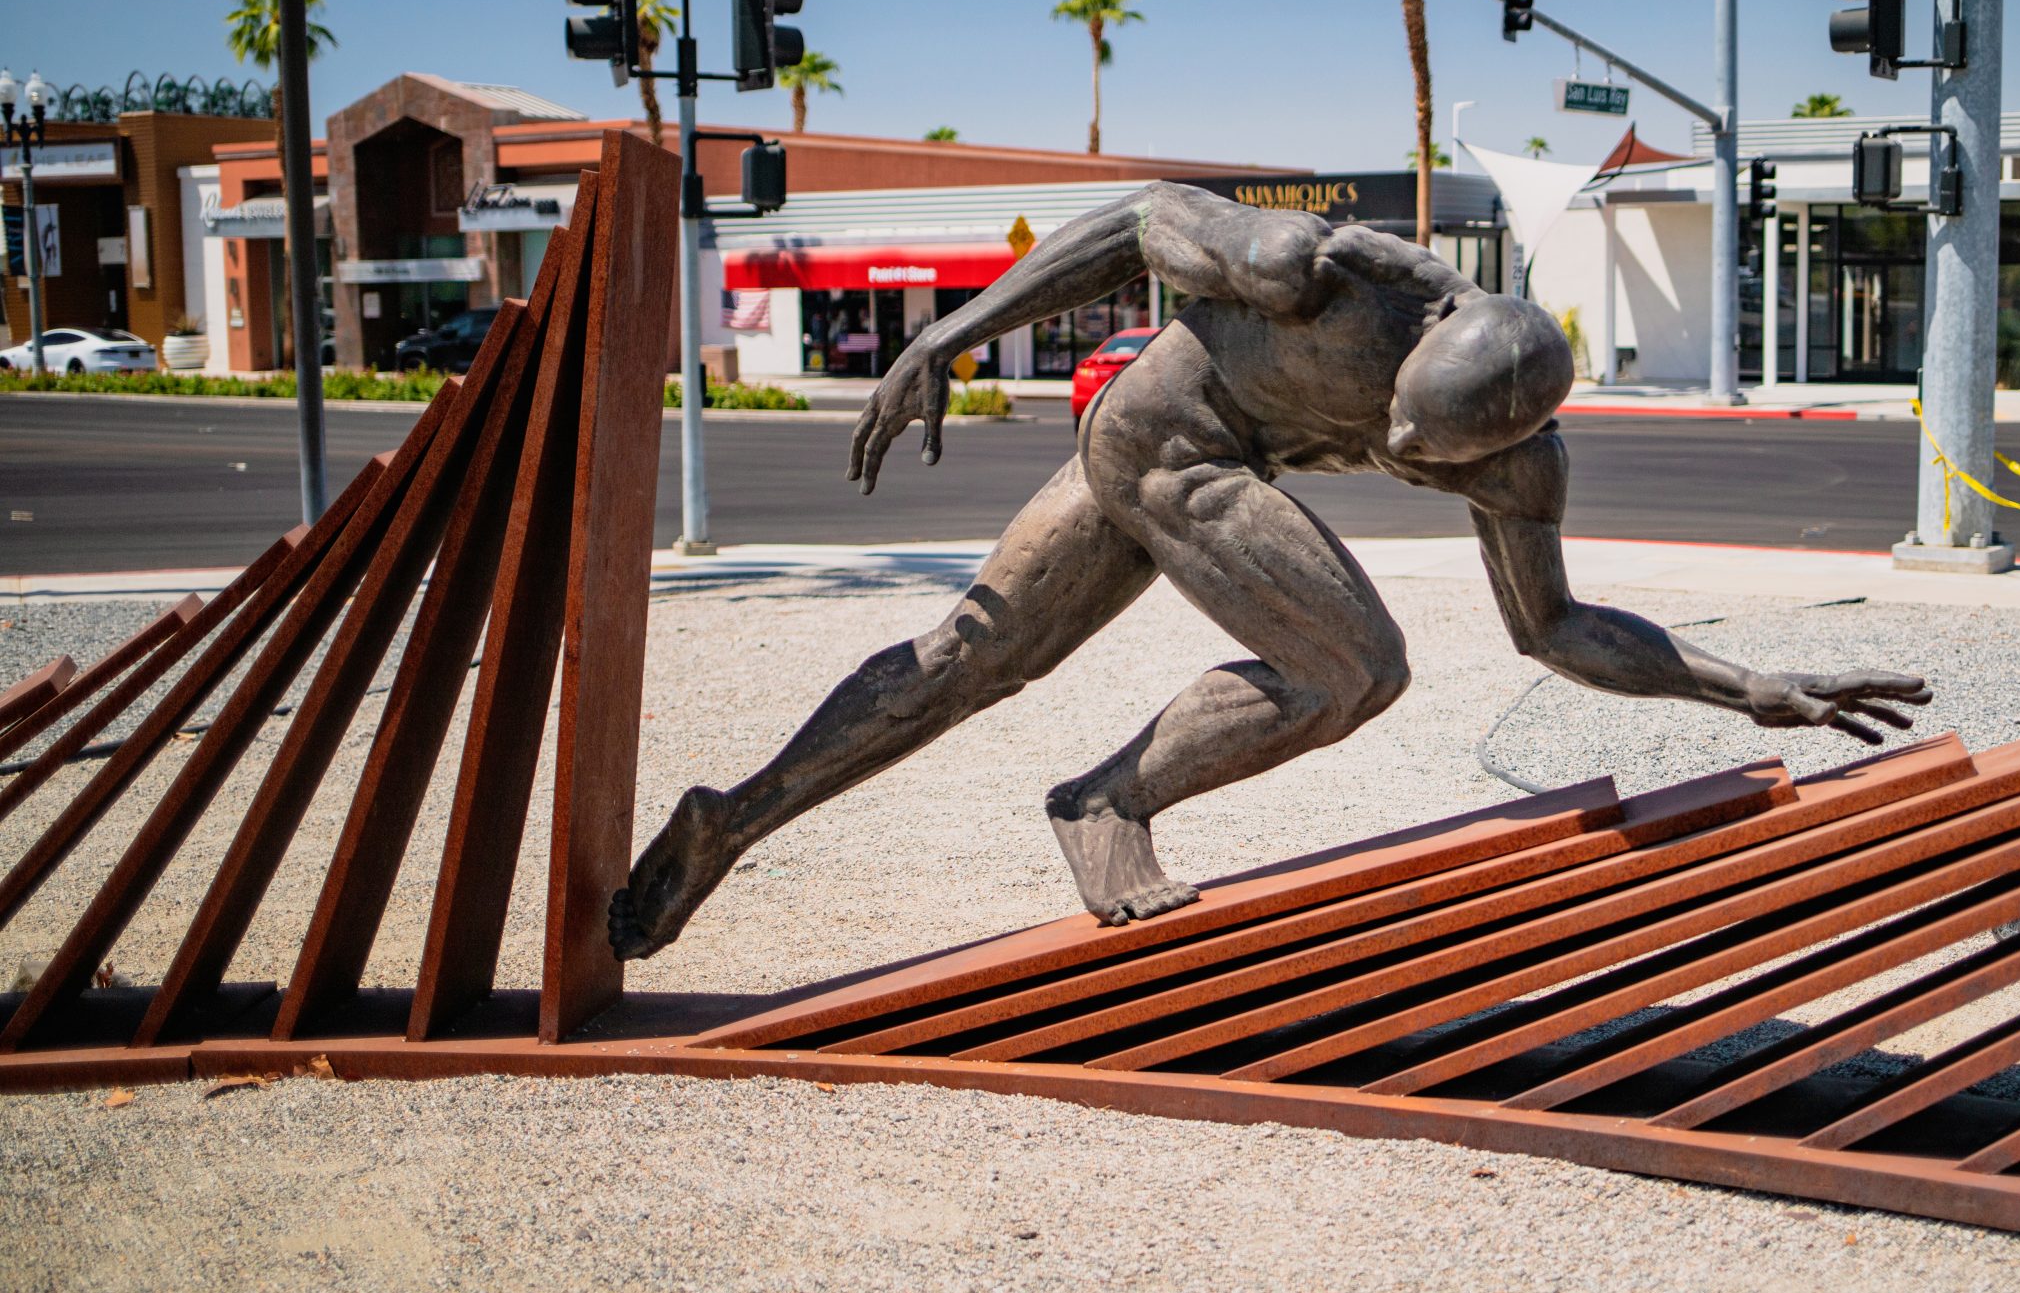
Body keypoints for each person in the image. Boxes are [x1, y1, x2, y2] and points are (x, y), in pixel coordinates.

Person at [608, 182, 1929, 960]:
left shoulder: (1519, 462)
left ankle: (739, 813)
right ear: (1424, 337)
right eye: (1399, 425)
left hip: (1175, 456)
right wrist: (949, 331)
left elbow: (1558, 629)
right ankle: (1100, 800)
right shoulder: (1314, 273)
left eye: (1431, 455)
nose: (1403, 454)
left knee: (971, 662)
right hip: (1166, 436)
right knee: (1356, 662)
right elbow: (1134, 222)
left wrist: (1743, 685)